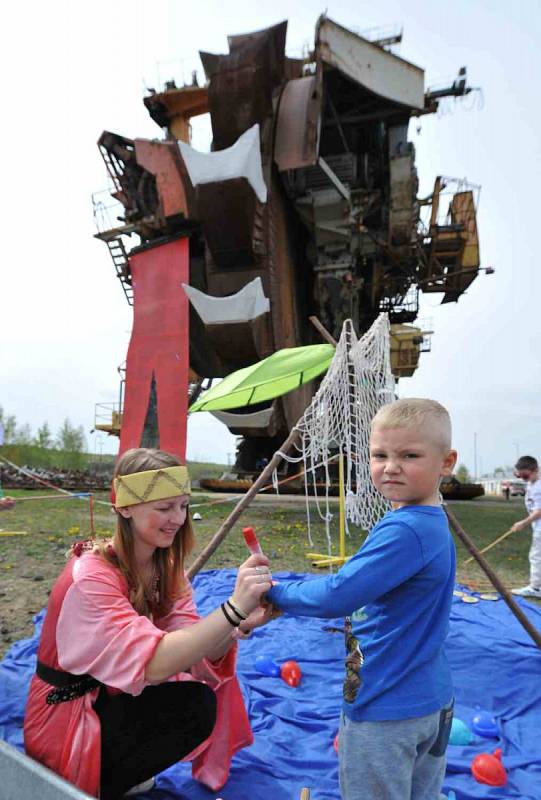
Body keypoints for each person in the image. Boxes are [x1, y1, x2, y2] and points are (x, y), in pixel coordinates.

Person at [24, 448, 273, 799]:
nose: (178, 518)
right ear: (125, 507)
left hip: (111, 695)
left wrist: (238, 624)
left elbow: (193, 650)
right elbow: (154, 664)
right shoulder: (91, 576)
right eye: (164, 507)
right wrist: (231, 608)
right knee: (187, 702)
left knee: (197, 703)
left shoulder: (165, 570)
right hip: (66, 717)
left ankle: (119, 773)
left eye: (183, 506)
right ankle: (97, 781)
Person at [267, 398, 458, 800]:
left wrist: (274, 592)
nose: (391, 466)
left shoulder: (407, 530)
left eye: (409, 455)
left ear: (446, 462)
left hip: (387, 707)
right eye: (380, 455)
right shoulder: (429, 519)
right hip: (432, 699)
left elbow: (338, 595)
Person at [510, 455, 541, 598]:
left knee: (536, 557)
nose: (523, 479)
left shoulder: (539, 486)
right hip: (538, 527)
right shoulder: (532, 482)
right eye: (520, 476)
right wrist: (520, 473)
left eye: (525, 475)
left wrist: (522, 523)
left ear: (535, 470)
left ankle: (535, 588)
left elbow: (539, 511)